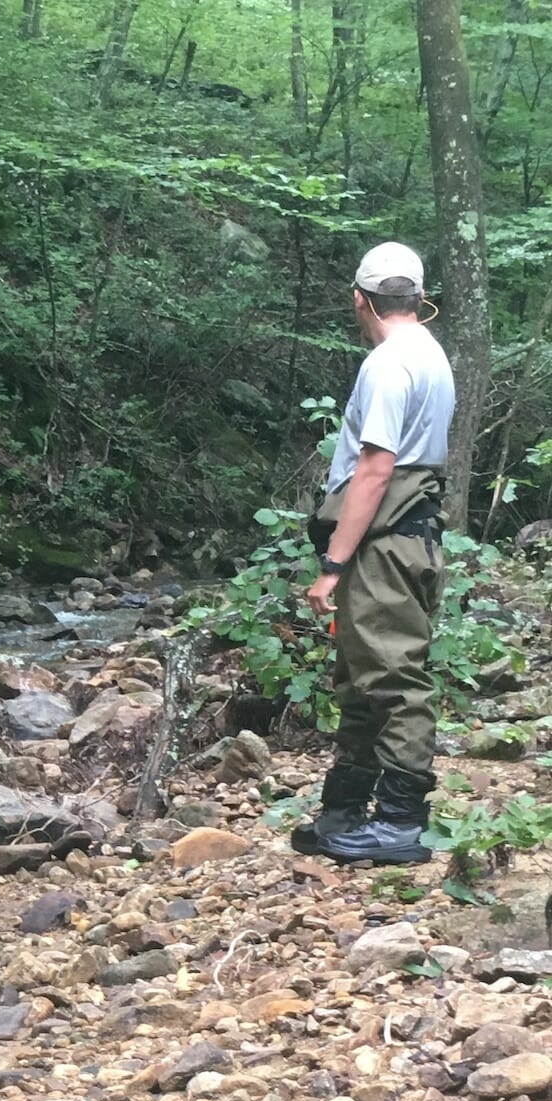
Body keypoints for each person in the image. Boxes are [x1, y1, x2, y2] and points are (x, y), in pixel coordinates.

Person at [293, 242, 456, 866]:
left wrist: (333, 564)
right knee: (364, 676)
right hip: (406, 538)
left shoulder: (389, 363)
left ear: (361, 300)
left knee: (392, 677)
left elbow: (374, 468)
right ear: (417, 297)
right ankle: (343, 812)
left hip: (383, 542)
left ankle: (400, 824)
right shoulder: (432, 355)